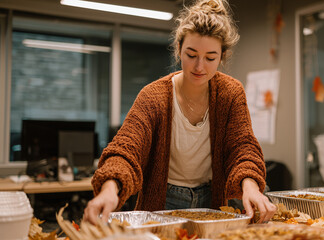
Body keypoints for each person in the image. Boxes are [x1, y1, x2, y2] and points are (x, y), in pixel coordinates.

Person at [83, 0, 276, 225]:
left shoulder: (230, 93)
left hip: (211, 199)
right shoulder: (153, 96)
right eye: (191, 54)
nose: (199, 67)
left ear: (222, 57)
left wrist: (251, 186)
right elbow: (126, 148)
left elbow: (243, 148)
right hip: (162, 201)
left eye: (210, 58)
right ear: (178, 50)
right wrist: (109, 189)